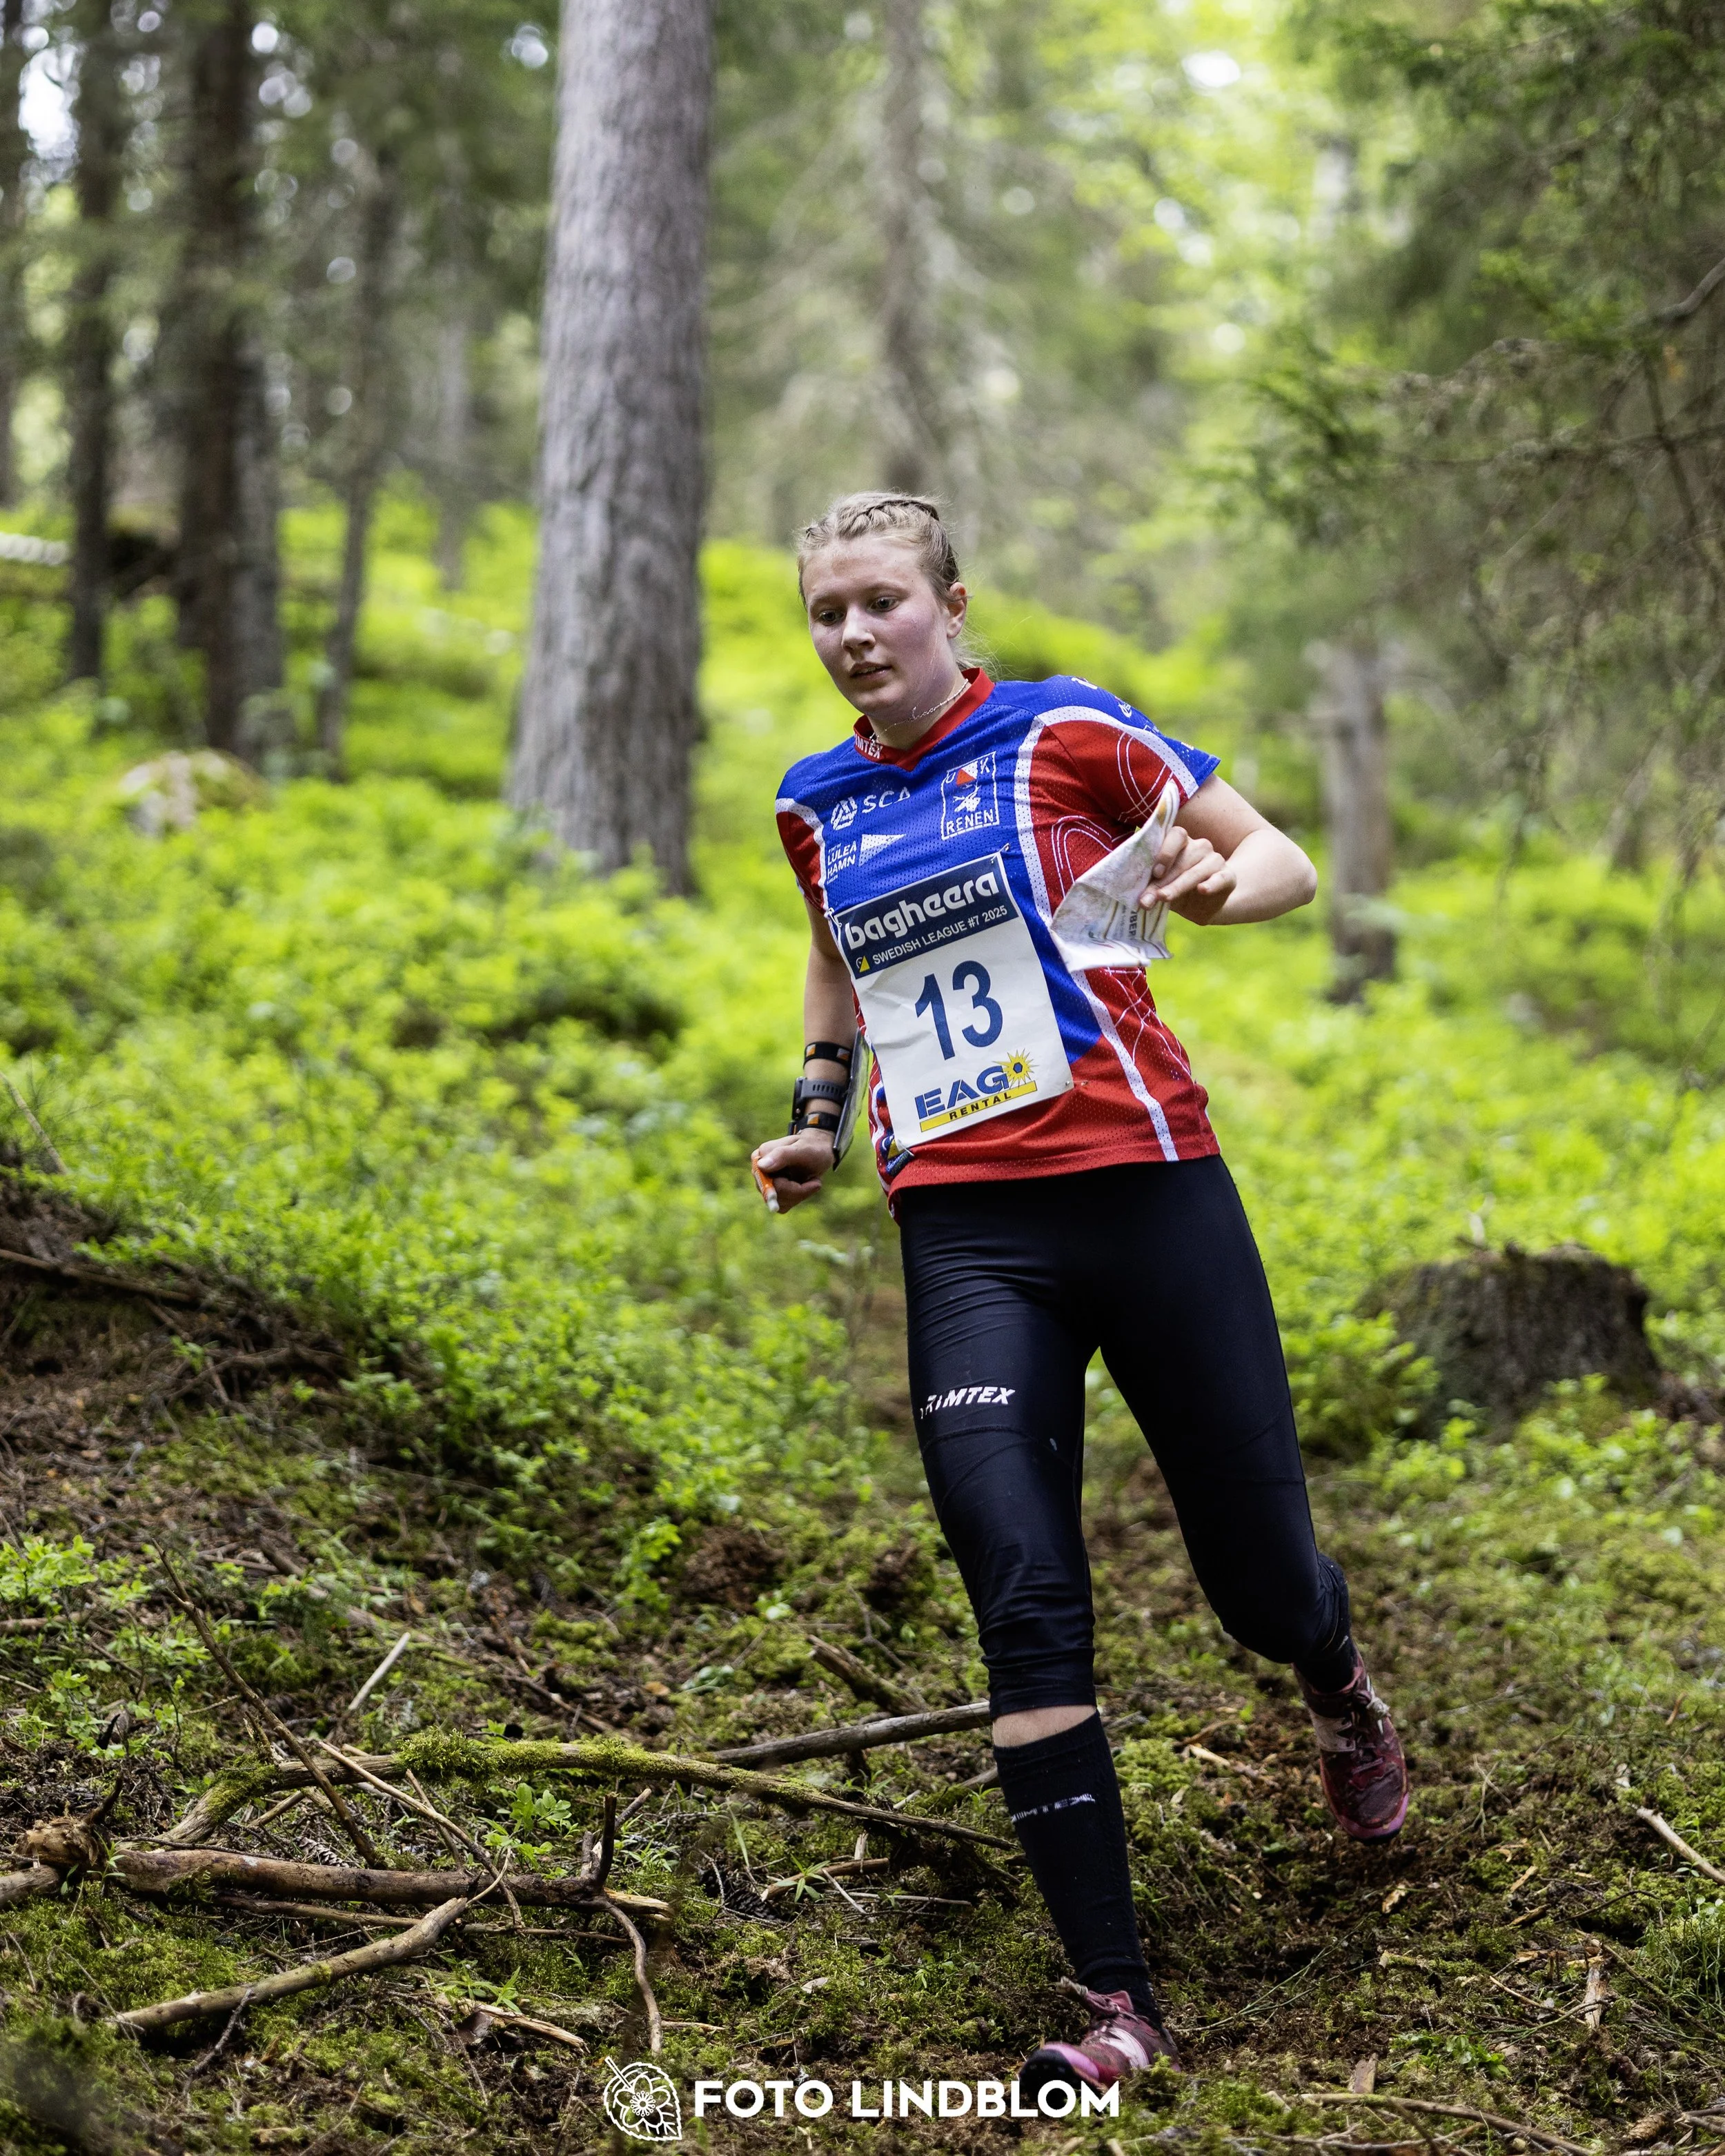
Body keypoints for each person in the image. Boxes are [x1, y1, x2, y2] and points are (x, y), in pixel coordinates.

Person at [751, 492, 1408, 2101]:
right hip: (968, 1230)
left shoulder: (1063, 731)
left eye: (881, 601)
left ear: (948, 605)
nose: (852, 633)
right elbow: (839, 958)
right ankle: (1114, 2001)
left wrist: (1210, 893)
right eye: (826, 608)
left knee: (1257, 1578)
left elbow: (1282, 857)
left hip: (1148, 1188)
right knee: (1022, 1593)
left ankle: (1334, 1679)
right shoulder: (813, 794)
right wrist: (821, 1113)